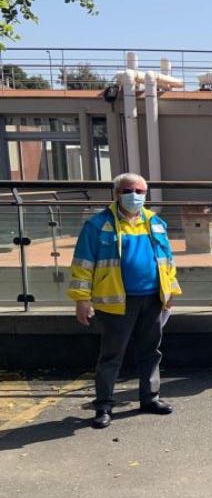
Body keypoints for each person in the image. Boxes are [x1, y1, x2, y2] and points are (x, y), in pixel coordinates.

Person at [68, 173, 181, 429]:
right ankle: (104, 405)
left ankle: (150, 398)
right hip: (117, 302)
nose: (135, 196)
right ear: (116, 194)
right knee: (111, 355)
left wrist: (170, 292)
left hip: (153, 298)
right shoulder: (97, 225)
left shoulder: (155, 222)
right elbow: (83, 265)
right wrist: (82, 300)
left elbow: (168, 261)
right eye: (128, 191)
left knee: (151, 351)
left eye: (140, 191)